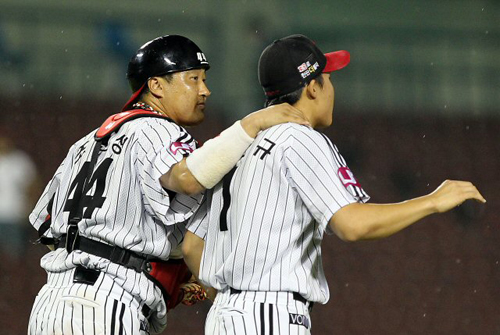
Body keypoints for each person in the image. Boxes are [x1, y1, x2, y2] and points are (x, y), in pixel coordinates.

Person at [182, 34, 486, 335]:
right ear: (313, 87)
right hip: (269, 315)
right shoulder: (300, 138)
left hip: (226, 316)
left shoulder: (238, 144)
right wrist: (432, 201)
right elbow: (352, 225)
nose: (332, 89)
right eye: (329, 79)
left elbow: (193, 245)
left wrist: (232, 297)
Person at [27, 35, 309, 335]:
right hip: (106, 304)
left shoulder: (85, 143)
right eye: (194, 79)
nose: (205, 90)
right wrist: (251, 124)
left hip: (51, 304)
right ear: (156, 86)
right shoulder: (157, 129)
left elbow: (46, 229)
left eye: (204, 79)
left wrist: (146, 264)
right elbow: (186, 178)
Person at [0, 135, 38, 260]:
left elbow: (33, 186)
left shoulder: (20, 161)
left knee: (14, 257)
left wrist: (28, 210)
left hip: (14, 217)